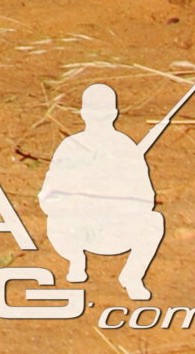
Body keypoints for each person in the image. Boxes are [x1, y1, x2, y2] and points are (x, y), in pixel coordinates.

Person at [41, 82, 171, 301]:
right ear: (83, 114)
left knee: (154, 221)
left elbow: (146, 200)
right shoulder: (71, 146)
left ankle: (132, 277)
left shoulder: (125, 148)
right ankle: (75, 260)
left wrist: (115, 198)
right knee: (56, 219)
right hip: (78, 231)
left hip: (116, 230)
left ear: (113, 114)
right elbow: (48, 197)